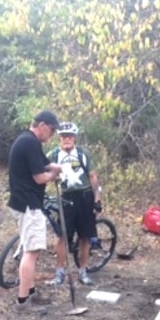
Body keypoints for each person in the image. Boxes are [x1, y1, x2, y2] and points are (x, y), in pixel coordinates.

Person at [7, 110, 63, 313]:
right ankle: (23, 301)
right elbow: (40, 177)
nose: (52, 135)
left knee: (32, 249)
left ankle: (30, 291)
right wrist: (52, 175)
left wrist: (56, 168)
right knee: (31, 252)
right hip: (29, 204)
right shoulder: (29, 142)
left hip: (24, 202)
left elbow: (45, 164)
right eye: (52, 130)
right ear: (42, 126)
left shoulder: (29, 140)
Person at [47, 121, 102, 286]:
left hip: (84, 197)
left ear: (75, 138)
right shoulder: (54, 155)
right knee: (63, 237)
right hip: (65, 199)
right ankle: (59, 273)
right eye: (63, 136)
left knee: (85, 237)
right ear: (59, 138)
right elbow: (43, 173)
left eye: (70, 136)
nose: (67, 139)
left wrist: (97, 199)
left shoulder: (82, 154)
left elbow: (92, 176)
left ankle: (83, 271)